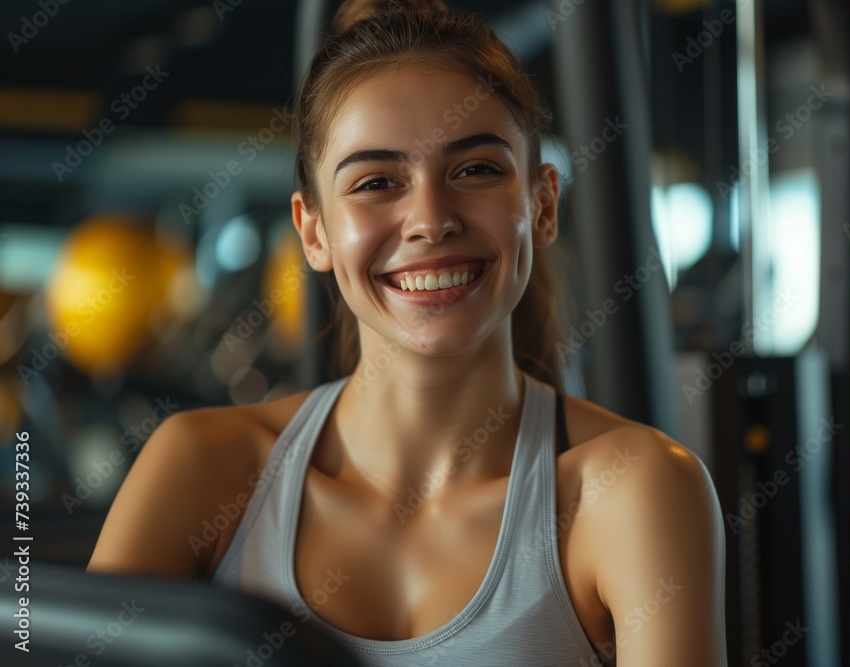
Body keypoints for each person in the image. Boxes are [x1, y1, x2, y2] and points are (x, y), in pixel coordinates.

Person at [88, 1, 726, 664]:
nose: (429, 219)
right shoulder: (204, 468)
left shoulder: (632, 488)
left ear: (541, 205)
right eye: (377, 181)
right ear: (314, 232)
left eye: (475, 170)